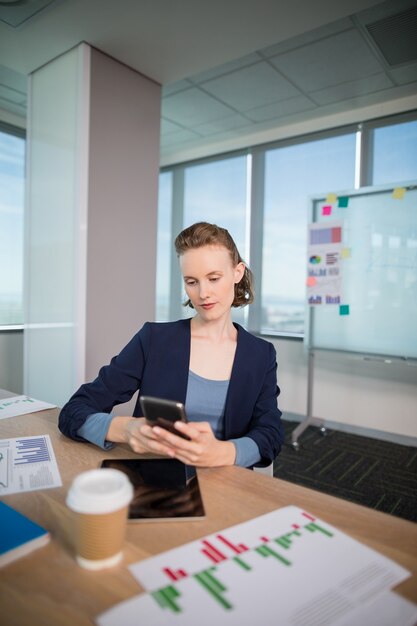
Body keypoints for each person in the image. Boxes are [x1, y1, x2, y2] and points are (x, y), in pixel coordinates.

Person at [58, 222, 284, 468]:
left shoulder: (260, 355)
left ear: (237, 273)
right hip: (155, 482)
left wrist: (224, 452)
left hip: (227, 486)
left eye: (214, 278)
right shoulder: (154, 340)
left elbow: (270, 433)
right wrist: (125, 429)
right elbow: (73, 411)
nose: (203, 293)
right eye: (191, 281)